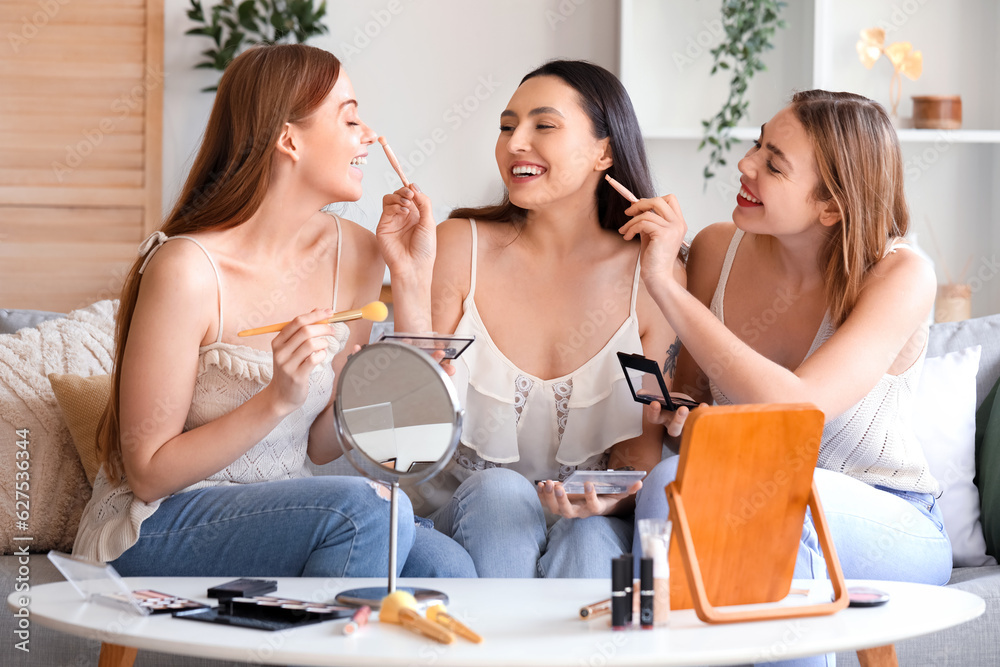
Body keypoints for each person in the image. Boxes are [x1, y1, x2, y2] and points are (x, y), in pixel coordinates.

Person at [72, 44, 474, 579]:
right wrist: (276, 399)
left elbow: (325, 444)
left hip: (289, 510)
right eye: (349, 117)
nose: (369, 135)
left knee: (448, 568)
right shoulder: (186, 269)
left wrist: (410, 279)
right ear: (288, 139)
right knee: (367, 513)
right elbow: (147, 474)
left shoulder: (355, 255)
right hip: (159, 522)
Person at [628, 90, 951, 665]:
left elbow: (801, 408)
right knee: (670, 484)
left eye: (774, 164)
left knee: (774, 507)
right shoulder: (715, 250)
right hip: (759, 494)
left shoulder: (900, 274)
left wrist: (665, 287)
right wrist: (683, 410)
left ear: (831, 206)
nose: (745, 164)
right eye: (757, 143)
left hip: (888, 520)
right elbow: (699, 390)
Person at [416, 60, 684, 578]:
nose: (515, 142)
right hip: (465, 518)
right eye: (506, 125)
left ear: (603, 151)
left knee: (588, 539)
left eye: (544, 125)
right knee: (500, 494)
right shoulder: (458, 248)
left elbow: (639, 454)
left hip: (588, 521)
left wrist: (610, 503)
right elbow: (413, 420)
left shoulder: (651, 279)